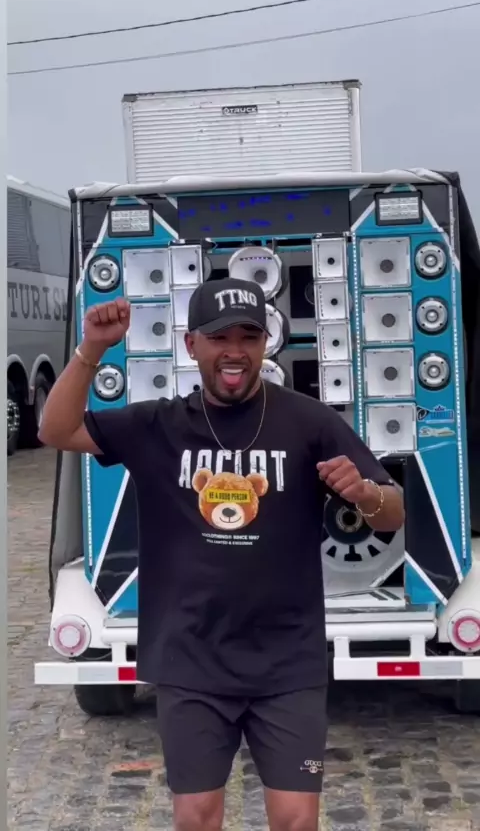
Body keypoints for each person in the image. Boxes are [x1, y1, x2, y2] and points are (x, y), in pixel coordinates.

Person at [39, 277, 404, 831]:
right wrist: (92, 349)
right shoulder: (158, 425)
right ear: (192, 345)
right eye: (219, 337)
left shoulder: (310, 422)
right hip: (190, 660)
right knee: (197, 817)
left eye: (248, 337)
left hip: (287, 661)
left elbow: (393, 513)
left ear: (265, 344)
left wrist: (366, 493)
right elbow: (55, 429)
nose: (235, 351)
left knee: (296, 821)